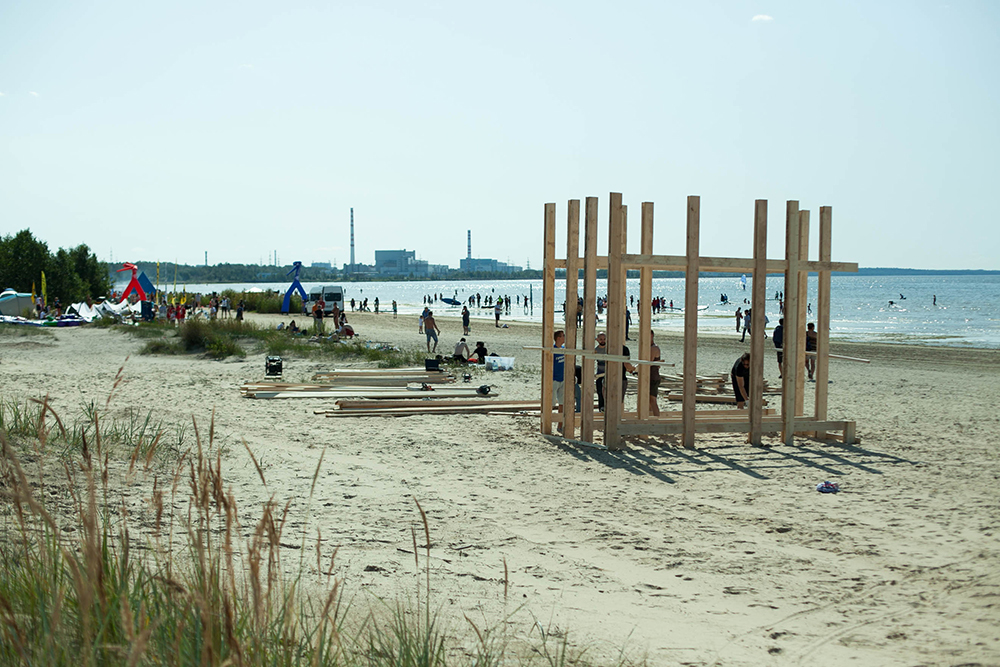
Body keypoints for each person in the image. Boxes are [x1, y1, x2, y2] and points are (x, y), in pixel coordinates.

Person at [648, 330, 661, 417]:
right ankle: (650, 418)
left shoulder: (653, 348)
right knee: (648, 401)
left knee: (652, 400)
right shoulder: (648, 347)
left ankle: (657, 418)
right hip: (649, 376)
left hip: (653, 377)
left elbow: (649, 362)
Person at [594, 332, 608, 412]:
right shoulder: (596, 350)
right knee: (600, 391)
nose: (602, 341)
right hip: (599, 373)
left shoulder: (608, 349)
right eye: (601, 339)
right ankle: (601, 407)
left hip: (608, 373)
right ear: (597, 340)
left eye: (604, 339)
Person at [552, 330, 566, 410]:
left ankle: (560, 422)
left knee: (562, 402)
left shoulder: (564, 349)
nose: (564, 337)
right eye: (563, 336)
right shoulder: (553, 349)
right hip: (554, 379)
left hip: (562, 378)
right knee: (551, 402)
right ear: (558, 338)